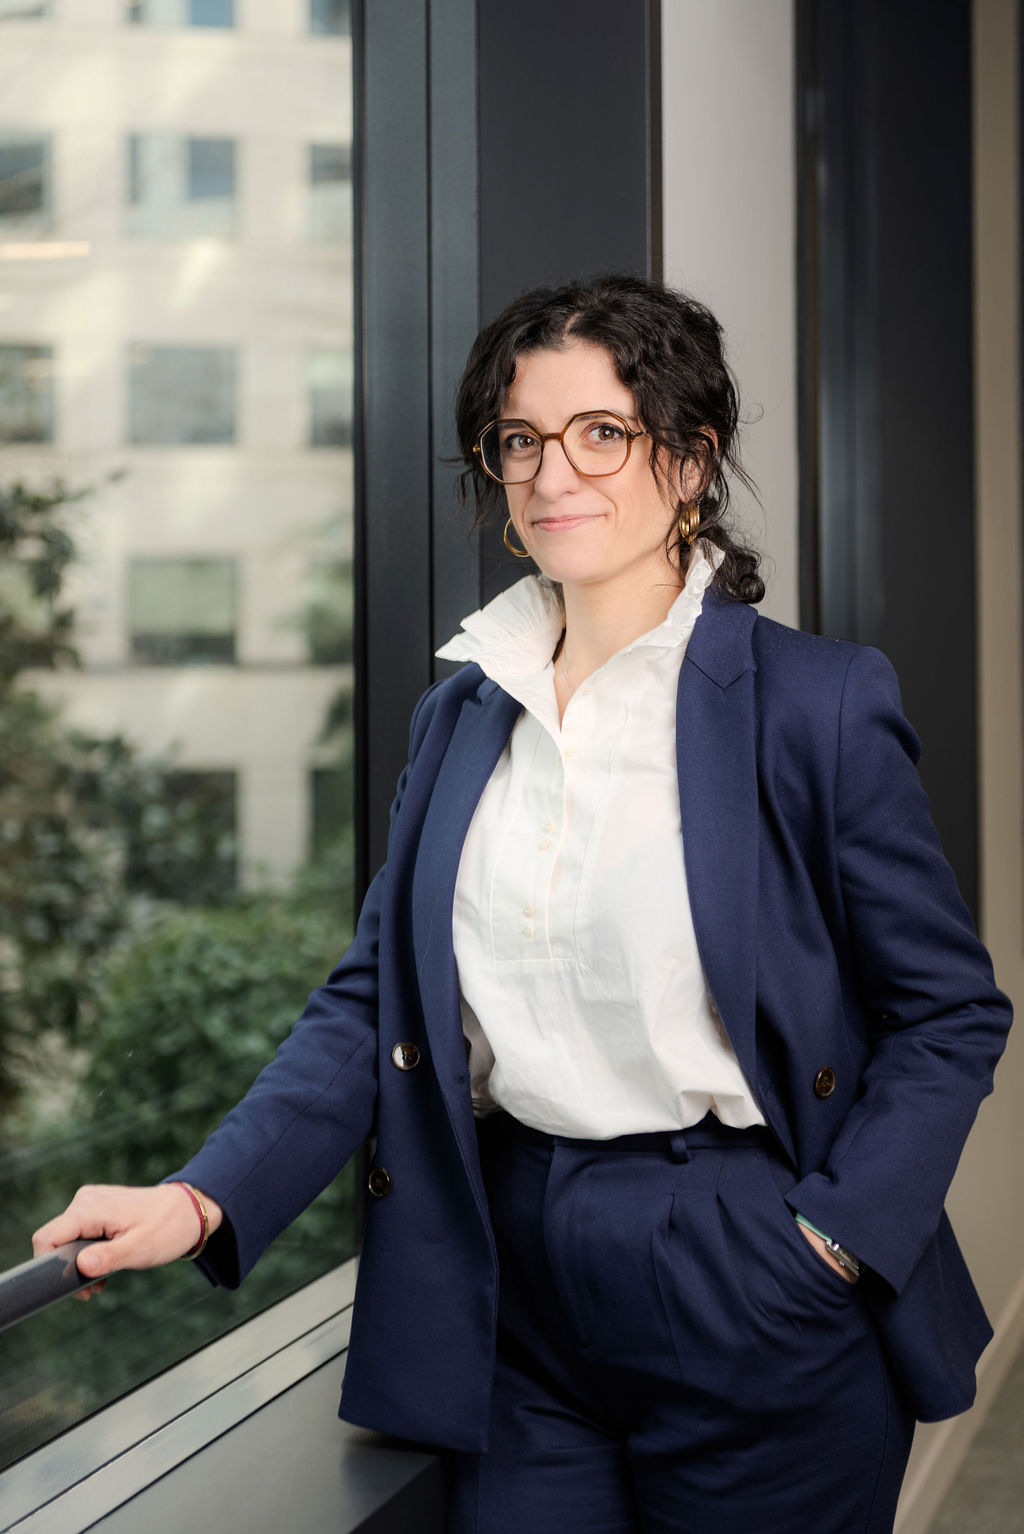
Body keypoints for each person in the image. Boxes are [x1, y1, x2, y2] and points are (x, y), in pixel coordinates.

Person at [34, 274, 1012, 1534]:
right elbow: (374, 1001)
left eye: (601, 431)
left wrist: (827, 1245)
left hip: (744, 1259)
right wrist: (200, 1195)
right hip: (512, 1284)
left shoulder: (814, 705)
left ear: (689, 458)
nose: (555, 471)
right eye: (520, 438)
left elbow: (948, 1013)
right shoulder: (463, 713)